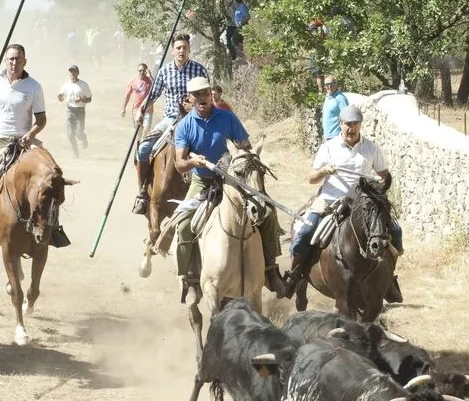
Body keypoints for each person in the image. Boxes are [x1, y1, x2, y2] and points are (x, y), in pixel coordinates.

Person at [172, 76, 287, 304]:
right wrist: (195, 162)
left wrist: (246, 158)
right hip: (203, 181)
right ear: (190, 99)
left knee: (268, 212)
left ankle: (270, 270)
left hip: (234, 180)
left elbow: (244, 146)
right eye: (197, 95)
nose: (202, 98)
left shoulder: (226, 117)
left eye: (205, 92)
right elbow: (179, 162)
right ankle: (190, 280)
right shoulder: (184, 126)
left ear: (211, 93)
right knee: (184, 224)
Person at [285, 105, 403, 302]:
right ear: (340, 124)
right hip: (331, 200)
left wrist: (380, 183)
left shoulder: (371, 149)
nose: (352, 128)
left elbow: (384, 174)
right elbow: (311, 178)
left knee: (395, 231)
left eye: (355, 124)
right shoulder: (328, 147)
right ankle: (295, 275)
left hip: (362, 203)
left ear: (360, 126)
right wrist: (324, 171)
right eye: (348, 124)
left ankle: (388, 278)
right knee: (305, 232)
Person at [0, 43, 69, 249]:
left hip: (22, 144)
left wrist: (31, 133)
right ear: (5, 60)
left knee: (51, 180)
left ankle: (53, 228)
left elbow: (41, 119)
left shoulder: (33, 86)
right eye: (11, 58)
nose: (14, 62)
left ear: (25, 61)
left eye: (18, 59)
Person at [131, 32, 208, 215]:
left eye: (185, 48)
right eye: (178, 48)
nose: (182, 51)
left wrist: (197, 105)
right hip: (170, 120)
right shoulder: (164, 71)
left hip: (195, 120)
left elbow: (208, 97)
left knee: (216, 149)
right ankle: (143, 192)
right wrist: (141, 110)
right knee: (143, 149)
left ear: (190, 49)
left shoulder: (199, 70)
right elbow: (153, 96)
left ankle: (214, 189)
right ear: (172, 50)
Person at [57, 64, 92, 158]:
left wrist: (81, 99)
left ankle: (83, 139)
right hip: (70, 110)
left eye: (74, 71)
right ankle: (75, 152)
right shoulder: (66, 85)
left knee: (79, 133)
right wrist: (60, 97)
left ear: (78, 73)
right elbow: (60, 97)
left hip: (80, 110)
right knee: (69, 133)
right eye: (71, 72)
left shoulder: (83, 85)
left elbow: (89, 99)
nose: (72, 73)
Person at [121, 63, 153, 141]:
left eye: (143, 70)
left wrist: (150, 76)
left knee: (146, 129)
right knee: (138, 131)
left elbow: (156, 87)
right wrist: (123, 108)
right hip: (136, 110)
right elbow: (127, 95)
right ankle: (138, 146)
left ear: (146, 71)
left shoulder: (150, 81)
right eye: (140, 71)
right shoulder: (134, 82)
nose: (141, 72)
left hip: (148, 109)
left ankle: (142, 145)